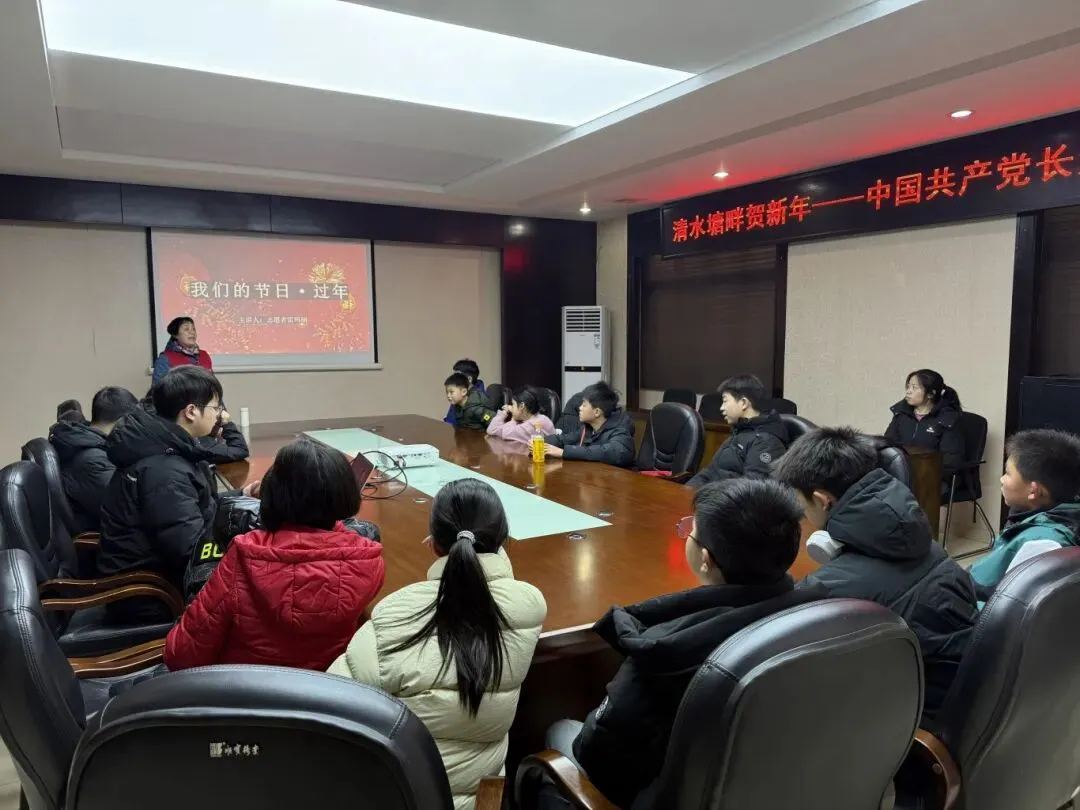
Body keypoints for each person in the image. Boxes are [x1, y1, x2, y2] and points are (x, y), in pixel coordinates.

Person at [555, 479, 826, 810]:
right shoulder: (820, 612)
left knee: (560, 731)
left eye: (690, 532)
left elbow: (597, 755)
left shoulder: (663, 654)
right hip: (782, 780)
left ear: (706, 559)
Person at [328, 479, 546, 810]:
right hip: (481, 800)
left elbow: (330, 707)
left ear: (432, 544)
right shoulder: (527, 606)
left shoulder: (395, 615)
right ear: (503, 542)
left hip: (402, 797)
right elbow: (499, 588)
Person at [772, 426, 978, 722]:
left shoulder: (826, 590)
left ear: (822, 499)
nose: (802, 513)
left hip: (916, 724)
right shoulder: (922, 539)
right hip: (962, 697)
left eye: (801, 503)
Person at [164, 437, 385, 671]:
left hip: (245, 689)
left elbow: (181, 655)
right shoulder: (368, 562)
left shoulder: (244, 554)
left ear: (270, 493)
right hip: (326, 689)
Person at [98, 367, 249, 624]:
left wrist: (242, 494)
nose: (218, 415)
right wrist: (245, 542)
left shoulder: (171, 447)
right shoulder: (164, 470)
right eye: (215, 407)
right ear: (191, 412)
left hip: (160, 577)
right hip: (152, 595)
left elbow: (197, 509)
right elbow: (190, 550)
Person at [969, 429, 1080, 598]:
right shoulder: (1047, 512)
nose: (1002, 479)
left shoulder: (1042, 544)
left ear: (1033, 491)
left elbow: (1005, 607)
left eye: (1008, 473)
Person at [49, 386, 139, 534]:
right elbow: (129, 510)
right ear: (123, 422)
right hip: (102, 539)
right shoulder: (93, 461)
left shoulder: (86, 444)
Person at [686, 374, 790, 489]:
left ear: (743, 403)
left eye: (725, 401)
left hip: (727, 499)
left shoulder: (766, 442)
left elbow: (751, 489)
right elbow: (710, 472)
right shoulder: (740, 431)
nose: (721, 408)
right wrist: (685, 490)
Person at [884, 369, 964, 481]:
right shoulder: (901, 414)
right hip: (901, 474)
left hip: (933, 478)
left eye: (915, 388)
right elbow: (888, 444)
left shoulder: (946, 419)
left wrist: (923, 474)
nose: (908, 391)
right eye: (908, 386)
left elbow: (950, 460)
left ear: (931, 394)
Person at [141, 386, 249, 463]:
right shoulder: (191, 449)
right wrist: (226, 423)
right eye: (215, 408)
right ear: (191, 411)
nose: (217, 413)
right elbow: (239, 449)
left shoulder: (155, 435)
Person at [543, 381, 635, 467]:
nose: (580, 408)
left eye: (584, 405)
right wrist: (540, 441)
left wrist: (564, 452)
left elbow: (614, 452)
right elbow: (564, 439)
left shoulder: (620, 431)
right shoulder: (588, 428)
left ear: (597, 412)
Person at [152, 316, 213, 384]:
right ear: (175, 335)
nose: (192, 332)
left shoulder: (204, 355)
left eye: (193, 329)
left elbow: (213, 384)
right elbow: (158, 388)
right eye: (186, 329)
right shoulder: (165, 359)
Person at [486, 385, 556, 444]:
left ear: (522, 406)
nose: (511, 407)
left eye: (513, 404)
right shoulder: (542, 418)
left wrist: (506, 413)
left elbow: (492, 430)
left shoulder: (529, 427)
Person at [444, 359, 486, 425]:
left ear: (469, 379)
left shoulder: (479, 401)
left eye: (457, 377)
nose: (453, 379)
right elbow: (450, 421)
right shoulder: (459, 394)